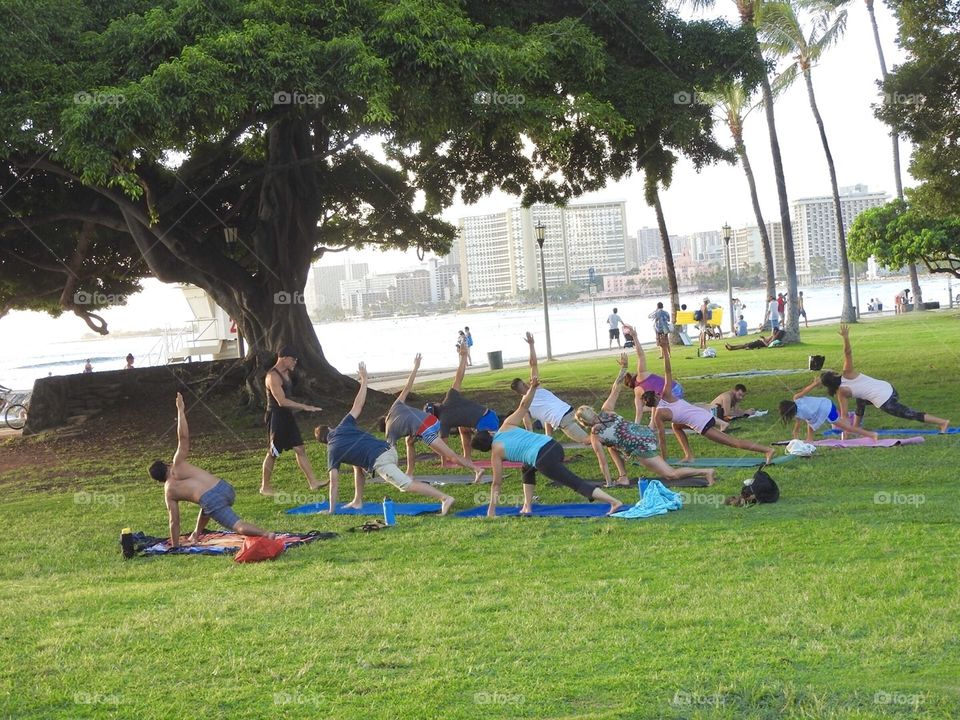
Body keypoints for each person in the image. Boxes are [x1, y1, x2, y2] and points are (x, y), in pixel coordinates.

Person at [315, 362, 455, 515]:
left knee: (406, 485)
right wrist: (364, 380)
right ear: (331, 429)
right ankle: (357, 500)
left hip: (381, 460)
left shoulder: (332, 450)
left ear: (324, 443)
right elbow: (357, 406)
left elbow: (334, 483)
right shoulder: (342, 426)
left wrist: (331, 510)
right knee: (357, 465)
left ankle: (445, 498)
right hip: (389, 450)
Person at [473, 377, 623, 518]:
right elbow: (524, 406)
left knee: (574, 482)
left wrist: (491, 510)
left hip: (544, 459)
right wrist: (532, 388)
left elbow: (496, 484)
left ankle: (614, 502)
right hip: (553, 446)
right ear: (490, 433)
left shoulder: (496, 455)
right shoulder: (506, 425)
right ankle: (527, 506)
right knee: (527, 468)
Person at [149, 393, 275, 548]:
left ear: (159, 480)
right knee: (205, 506)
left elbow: (174, 521)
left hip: (213, 500)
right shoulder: (178, 463)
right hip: (226, 488)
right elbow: (183, 438)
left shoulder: (169, 491)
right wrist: (180, 410)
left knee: (237, 526)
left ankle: (267, 534)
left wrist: (175, 546)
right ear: (166, 464)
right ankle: (196, 534)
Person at [509, 332, 629, 484]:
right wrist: (547, 438)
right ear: (521, 389)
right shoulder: (530, 397)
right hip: (570, 414)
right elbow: (536, 423)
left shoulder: (531, 395)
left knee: (588, 440)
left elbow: (533, 364)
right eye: (524, 385)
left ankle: (612, 440)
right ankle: (612, 439)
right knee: (592, 436)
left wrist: (532, 345)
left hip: (568, 418)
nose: (527, 384)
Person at [574, 361, 716, 487]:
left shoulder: (595, 435)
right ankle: (623, 477)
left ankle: (706, 472)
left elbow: (603, 462)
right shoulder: (607, 410)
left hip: (640, 447)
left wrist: (608, 483)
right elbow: (616, 388)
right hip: (645, 433)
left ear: (583, 422)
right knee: (611, 446)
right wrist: (624, 368)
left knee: (670, 474)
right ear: (592, 411)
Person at [644, 338, 775, 464]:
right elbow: (668, 371)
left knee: (733, 442)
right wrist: (665, 349)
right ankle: (689, 455)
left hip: (703, 423)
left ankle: (767, 450)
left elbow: (662, 438)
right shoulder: (667, 395)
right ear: (656, 395)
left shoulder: (658, 416)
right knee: (676, 426)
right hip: (704, 415)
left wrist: (664, 460)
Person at [819, 324, 950, 432]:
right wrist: (846, 338)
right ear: (834, 375)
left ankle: (942, 422)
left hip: (886, 400)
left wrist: (845, 435)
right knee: (860, 399)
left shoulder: (841, 393)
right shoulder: (848, 373)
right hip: (888, 388)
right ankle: (857, 427)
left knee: (910, 414)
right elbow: (847, 353)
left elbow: (844, 416)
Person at [378, 354, 485, 483]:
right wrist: (416, 367)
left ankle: (477, 469)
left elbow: (392, 454)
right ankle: (409, 472)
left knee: (450, 455)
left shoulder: (390, 432)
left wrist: (389, 472)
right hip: (433, 420)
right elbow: (407, 387)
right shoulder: (395, 406)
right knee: (409, 441)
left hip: (425, 428)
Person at [260, 346, 325, 496]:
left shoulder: (288, 373)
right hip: (276, 417)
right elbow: (281, 401)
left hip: (287, 416)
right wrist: (305, 407)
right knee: (273, 453)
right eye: (293, 359)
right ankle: (265, 487)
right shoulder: (273, 376)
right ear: (284, 358)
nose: (295, 362)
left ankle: (313, 483)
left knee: (300, 448)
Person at [426, 343, 501, 458]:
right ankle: (467, 457)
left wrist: (442, 459)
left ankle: (501, 454)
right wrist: (464, 356)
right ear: (436, 404)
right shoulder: (450, 398)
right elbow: (458, 377)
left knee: (490, 444)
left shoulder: (443, 422)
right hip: (489, 415)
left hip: (487, 424)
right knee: (462, 428)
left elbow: (443, 446)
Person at [620, 323, 684, 424]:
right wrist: (635, 337)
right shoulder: (641, 376)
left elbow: (638, 414)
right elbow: (641, 355)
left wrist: (635, 427)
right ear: (633, 376)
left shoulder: (637, 394)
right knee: (656, 402)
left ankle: (652, 425)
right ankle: (652, 425)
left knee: (654, 403)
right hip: (675, 389)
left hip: (667, 397)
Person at [779, 377, 879, 442]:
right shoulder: (798, 413)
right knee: (811, 424)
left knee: (846, 427)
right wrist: (795, 433)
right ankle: (810, 439)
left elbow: (805, 390)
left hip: (826, 407)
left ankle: (871, 434)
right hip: (821, 409)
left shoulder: (797, 398)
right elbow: (798, 423)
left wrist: (815, 383)